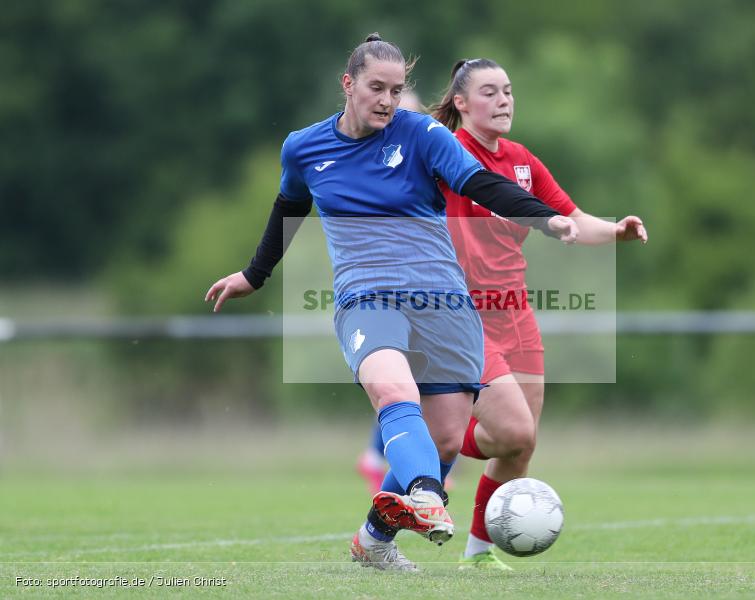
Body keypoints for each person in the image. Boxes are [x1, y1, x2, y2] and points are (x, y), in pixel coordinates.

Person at [205, 36, 579, 572]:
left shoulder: (421, 133)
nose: (387, 99)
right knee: (392, 390)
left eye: (396, 89)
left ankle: (373, 540)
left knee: (447, 435)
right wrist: (253, 275)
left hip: (441, 299)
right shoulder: (304, 147)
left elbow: (479, 184)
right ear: (348, 83)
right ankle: (428, 496)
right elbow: (287, 207)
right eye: (376, 88)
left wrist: (545, 217)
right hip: (366, 296)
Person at [430, 58, 648, 569]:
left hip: (515, 311)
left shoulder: (522, 160)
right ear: (461, 103)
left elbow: (570, 220)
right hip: (463, 312)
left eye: (508, 90)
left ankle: (477, 554)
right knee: (516, 432)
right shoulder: (446, 153)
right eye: (490, 92)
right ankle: (435, 434)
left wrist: (615, 231)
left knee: (520, 446)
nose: (504, 100)